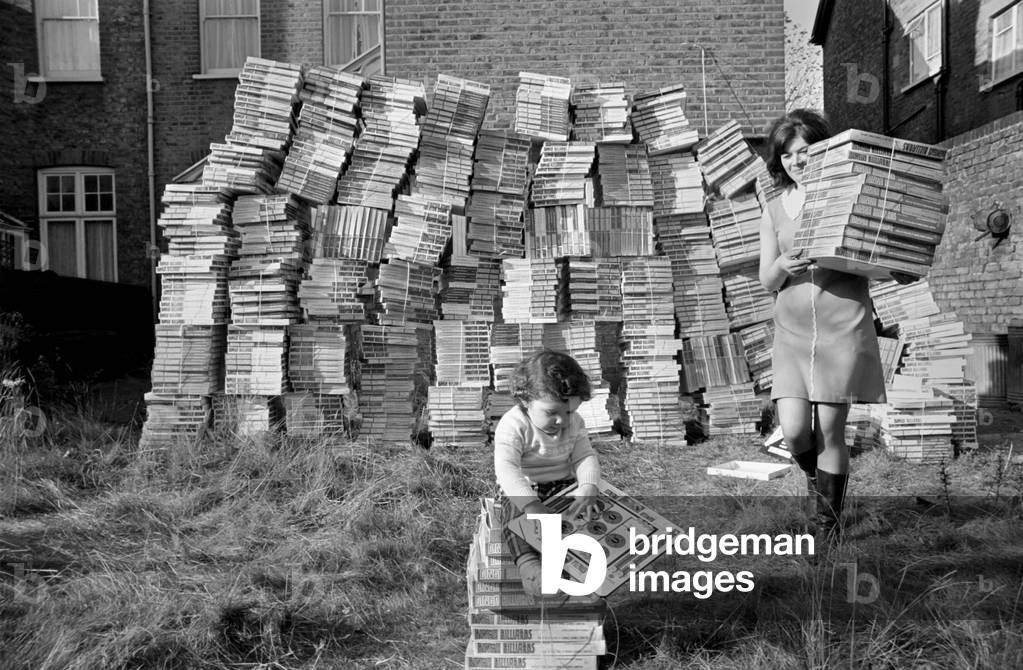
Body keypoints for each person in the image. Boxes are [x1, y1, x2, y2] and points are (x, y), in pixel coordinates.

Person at [758, 109, 896, 538]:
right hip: (793, 333)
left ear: (823, 150)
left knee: (831, 431)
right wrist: (783, 262)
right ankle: (818, 483)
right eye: (787, 156)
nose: (796, 161)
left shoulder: (849, 195)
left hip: (842, 326)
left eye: (805, 152)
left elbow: (882, 264)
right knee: (797, 430)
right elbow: (767, 280)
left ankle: (826, 526)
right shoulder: (774, 208)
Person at [493, 349, 602, 596]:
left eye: (569, 412)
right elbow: (507, 468)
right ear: (525, 400)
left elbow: (585, 455)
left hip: (563, 484)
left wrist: (588, 486)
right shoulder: (513, 425)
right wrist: (531, 506)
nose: (562, 421)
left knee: (589, 509)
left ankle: (581, 557)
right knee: (514, 517)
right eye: (551, 412)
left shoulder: (575, 423)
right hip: (526, 487)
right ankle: (531, 567)